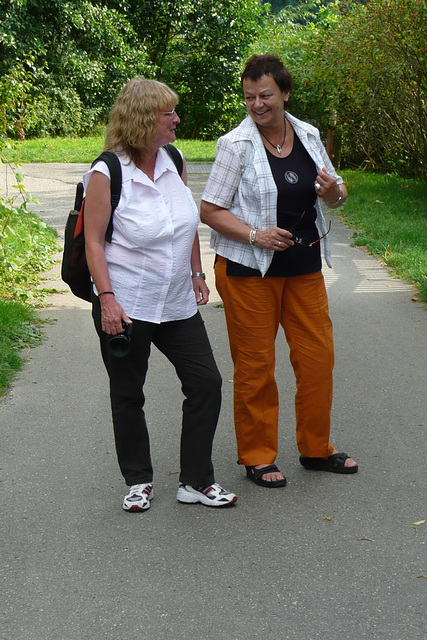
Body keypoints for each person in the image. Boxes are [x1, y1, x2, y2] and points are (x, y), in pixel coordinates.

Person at [200, 54, 358, 488]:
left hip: (303, 265)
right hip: (249, 270)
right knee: (255, 366)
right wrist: (255, 235)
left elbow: (337, 193)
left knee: (317, 360)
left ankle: (315, 448)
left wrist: (335, 191)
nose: (257, 104)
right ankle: (257, 455)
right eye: (249, 96)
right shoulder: (235, 145)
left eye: (266, 95)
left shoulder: (307, 134)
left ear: (285, 93)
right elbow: (210, 210)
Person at [84, 78, 237, 510]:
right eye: (168, 113)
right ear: (143, 120)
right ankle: (138, 480)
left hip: (175, 301)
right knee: (128, 393)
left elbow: (184, 220)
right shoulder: (107, 172)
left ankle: (195, 481)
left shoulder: (174, 159)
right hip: (127, 303)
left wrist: (195, 272)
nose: (176, 119)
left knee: (206, 383)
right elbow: (94, 242)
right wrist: (107, 299)